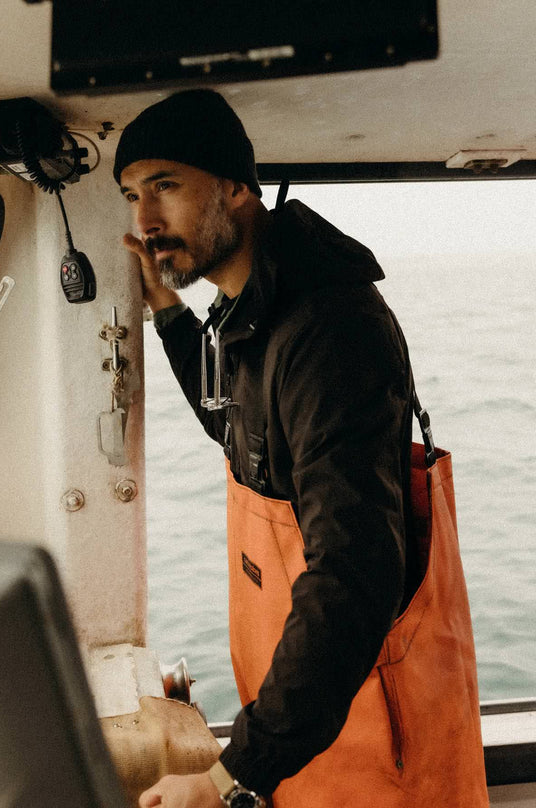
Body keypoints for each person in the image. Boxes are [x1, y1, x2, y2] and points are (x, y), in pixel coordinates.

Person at [114, 89, 488, 808]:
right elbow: (230, 423)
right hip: (307, 725)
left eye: (165, 186)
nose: (146, 221)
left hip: (380, 730)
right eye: (133, 195)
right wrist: (165, 307)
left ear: (233, 185)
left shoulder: (328, 328)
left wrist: (228, 779)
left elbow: (354, 577)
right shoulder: (247, 308)